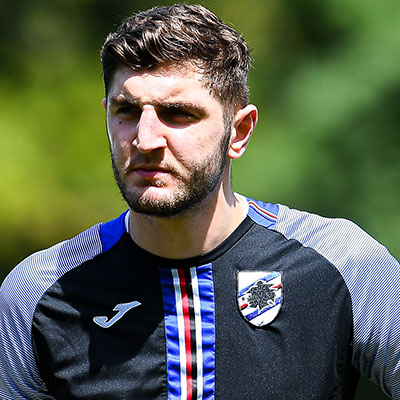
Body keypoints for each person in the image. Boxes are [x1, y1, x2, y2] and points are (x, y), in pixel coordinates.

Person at [0, 4, 399, 399]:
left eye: (178, 114)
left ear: (239, 132)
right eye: (128, 111)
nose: (145, 138)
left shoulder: (343, 263)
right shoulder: (38, 293)